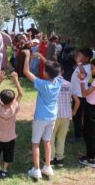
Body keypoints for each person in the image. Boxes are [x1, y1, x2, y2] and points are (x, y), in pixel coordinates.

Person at [23, 49, 62, 179]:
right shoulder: (59, 82)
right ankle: (48, 167)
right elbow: (54, 70)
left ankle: (36, 169)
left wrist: (28, 56)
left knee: (35, 143)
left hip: (40, 118)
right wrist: (42, 57)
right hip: (52, 118)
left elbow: (26, 72)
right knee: (47, 142)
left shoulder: (41, 84)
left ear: (45, 73)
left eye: (45, 70)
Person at [0, 71, 23, 178]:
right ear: (12, 100)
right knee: (8, 155)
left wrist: (0, 80)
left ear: (1, 99)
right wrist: (16, 81)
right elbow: (21, 94)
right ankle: (4, 170)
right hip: (9, 138)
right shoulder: (14, 108)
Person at [50, 68, 80, 167]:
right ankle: (60, 159)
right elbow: (77, 101)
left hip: (54, 114)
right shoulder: (69, 84)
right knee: (61, 138)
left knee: (51, 137)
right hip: (67, 115)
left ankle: (51, 159)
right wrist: (74, 111)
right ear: (62, 71)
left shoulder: (51, 83)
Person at [70, 48, 93, 142]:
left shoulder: (87, 67)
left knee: (77, 116)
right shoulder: (82, 65)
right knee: (77, 116)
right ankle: (79, 134)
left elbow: (83, 73)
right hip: (77, 94)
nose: (78, 58)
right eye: (78, 55)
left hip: (81, 96)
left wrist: (78, 63)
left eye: (80, 56)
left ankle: (78, 136)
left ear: (86, 58)